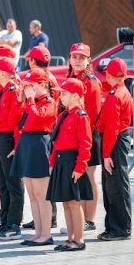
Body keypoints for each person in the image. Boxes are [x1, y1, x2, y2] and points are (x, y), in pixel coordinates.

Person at [11, 68, 57, 246]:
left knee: (41, 194)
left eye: (32, 85)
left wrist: (29, 100)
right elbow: (17, 119)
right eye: (27, 85)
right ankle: (38, 233)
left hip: (39, 144)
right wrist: (22, 99)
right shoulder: (30, 101)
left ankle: (46, 234)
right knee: (32, 194)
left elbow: (38, 118)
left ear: (43, 85)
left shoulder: (49, 101)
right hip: (26, 143)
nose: (28, 88)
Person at [47, 78, 93, 252]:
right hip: (61, 161)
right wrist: (52, 161)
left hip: (72, 163)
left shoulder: (81, 116)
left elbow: (85, 144)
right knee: (66, 202)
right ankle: (70, 238)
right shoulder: (63, 114)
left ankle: (79, 239)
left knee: (74, 203)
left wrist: (80, 167)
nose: (61, 96)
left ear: (75, 96)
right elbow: (56, 142)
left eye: (64, 93)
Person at [60, 43, 102, 234]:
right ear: (69, 59)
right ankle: (81, 220)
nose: (77, 61)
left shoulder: (90, 82)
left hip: (86, 134)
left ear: (88, 61)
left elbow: (91, 115)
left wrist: (79, 137)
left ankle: (89, 220)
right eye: (74, 57)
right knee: (80, 178)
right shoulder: (72, 78)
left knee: (88, 177)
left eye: (81, 57)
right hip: (72, 134)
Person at [0, 57, 24, 241]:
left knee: (13, 185)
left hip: (8, 139)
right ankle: (5, 221)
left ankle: (14, 225)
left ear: (3, 73)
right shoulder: (4, 90)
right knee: (3, 184)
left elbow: (17, 121)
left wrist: (17, 146)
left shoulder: (13, 89)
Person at [97, 58, 132, 241]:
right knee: (116, 185)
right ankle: (115, 226)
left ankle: (119, 229)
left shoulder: (115, 96)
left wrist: (106, 155)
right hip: (119, 140)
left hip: (115, 142)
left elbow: (111, 128)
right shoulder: (122, 91)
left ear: (109, 74)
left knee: (115, 187)